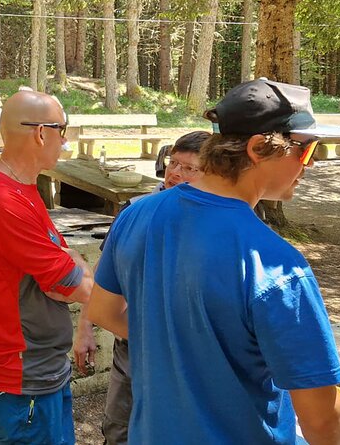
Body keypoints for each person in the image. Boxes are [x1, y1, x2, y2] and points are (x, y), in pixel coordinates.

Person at [88, 79, 340, 445]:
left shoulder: (138, 214)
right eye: (306, 149)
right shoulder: (276, 266)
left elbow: (102, 311)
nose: (309, 164)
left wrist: (177, 347)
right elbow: (323, 424)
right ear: (258, 148)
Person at [0, 90, 95, 444]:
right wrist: (76, 270)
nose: (64, 140)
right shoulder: (2, 199)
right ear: (41, 133)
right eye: (61, 130)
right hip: (21, 381)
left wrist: (73, 267)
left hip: (41, 373)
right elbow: (76, 285)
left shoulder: (23, 188)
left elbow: (68, 262)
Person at [100, 129, 209, 445]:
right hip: (134, 342)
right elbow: (104, 282)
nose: (175, 173)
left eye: (189, 168)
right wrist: (84, 332)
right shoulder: (135, 211)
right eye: (173, 163)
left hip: (190, 349)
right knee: (119, 427)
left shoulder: (216, 222)